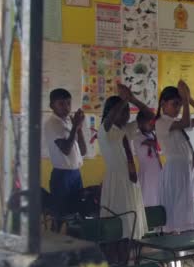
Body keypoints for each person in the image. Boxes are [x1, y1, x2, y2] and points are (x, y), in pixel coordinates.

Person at [155, 81, 194, 234]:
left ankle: (181, 248)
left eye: (180, 105)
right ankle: (173, 246)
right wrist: (186, 100)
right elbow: (186, 121)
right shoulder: (161, 123)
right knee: (175, 211)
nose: (179, 109)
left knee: (186, 211)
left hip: (186, 170)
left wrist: (190, 99)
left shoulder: (176, 123)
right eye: (175, 104)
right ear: (163, 104)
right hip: (175, 171)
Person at [97, 84, 149, 239]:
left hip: (131, 181)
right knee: (118, 221)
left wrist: (132, 99)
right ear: (111, 113)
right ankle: (116, 257)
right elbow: (109, 120)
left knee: (132, 221)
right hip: (116, 181)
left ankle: (128, 255)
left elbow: (149, 116)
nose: (126, 115)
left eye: (127, 111)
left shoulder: (127, 129)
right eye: (122, 111)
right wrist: (123, 101)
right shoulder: (105, 130)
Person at [43, 88, 87, 226]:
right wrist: (75, 127)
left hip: (75, 173)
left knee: (76, 213)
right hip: (62, 176)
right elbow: (66, 149)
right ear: (52, 106)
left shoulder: (69, 121)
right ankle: (58, 242)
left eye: (68, 103)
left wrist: (78, 128)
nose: (66, 107)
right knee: (61, 215)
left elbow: (84, 150)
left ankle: (73, 241)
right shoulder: (52, 123)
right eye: (61, 104)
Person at [133, 109, 162, 207]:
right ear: (140, 124)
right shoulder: (137, 137)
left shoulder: (152, 135)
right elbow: (156, 144)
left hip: (157, 171)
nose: (152, 125)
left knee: (157, 197)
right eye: (150, 123)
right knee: (147, 198)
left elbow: (160, 147)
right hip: (146, 173)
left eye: (153, 122)